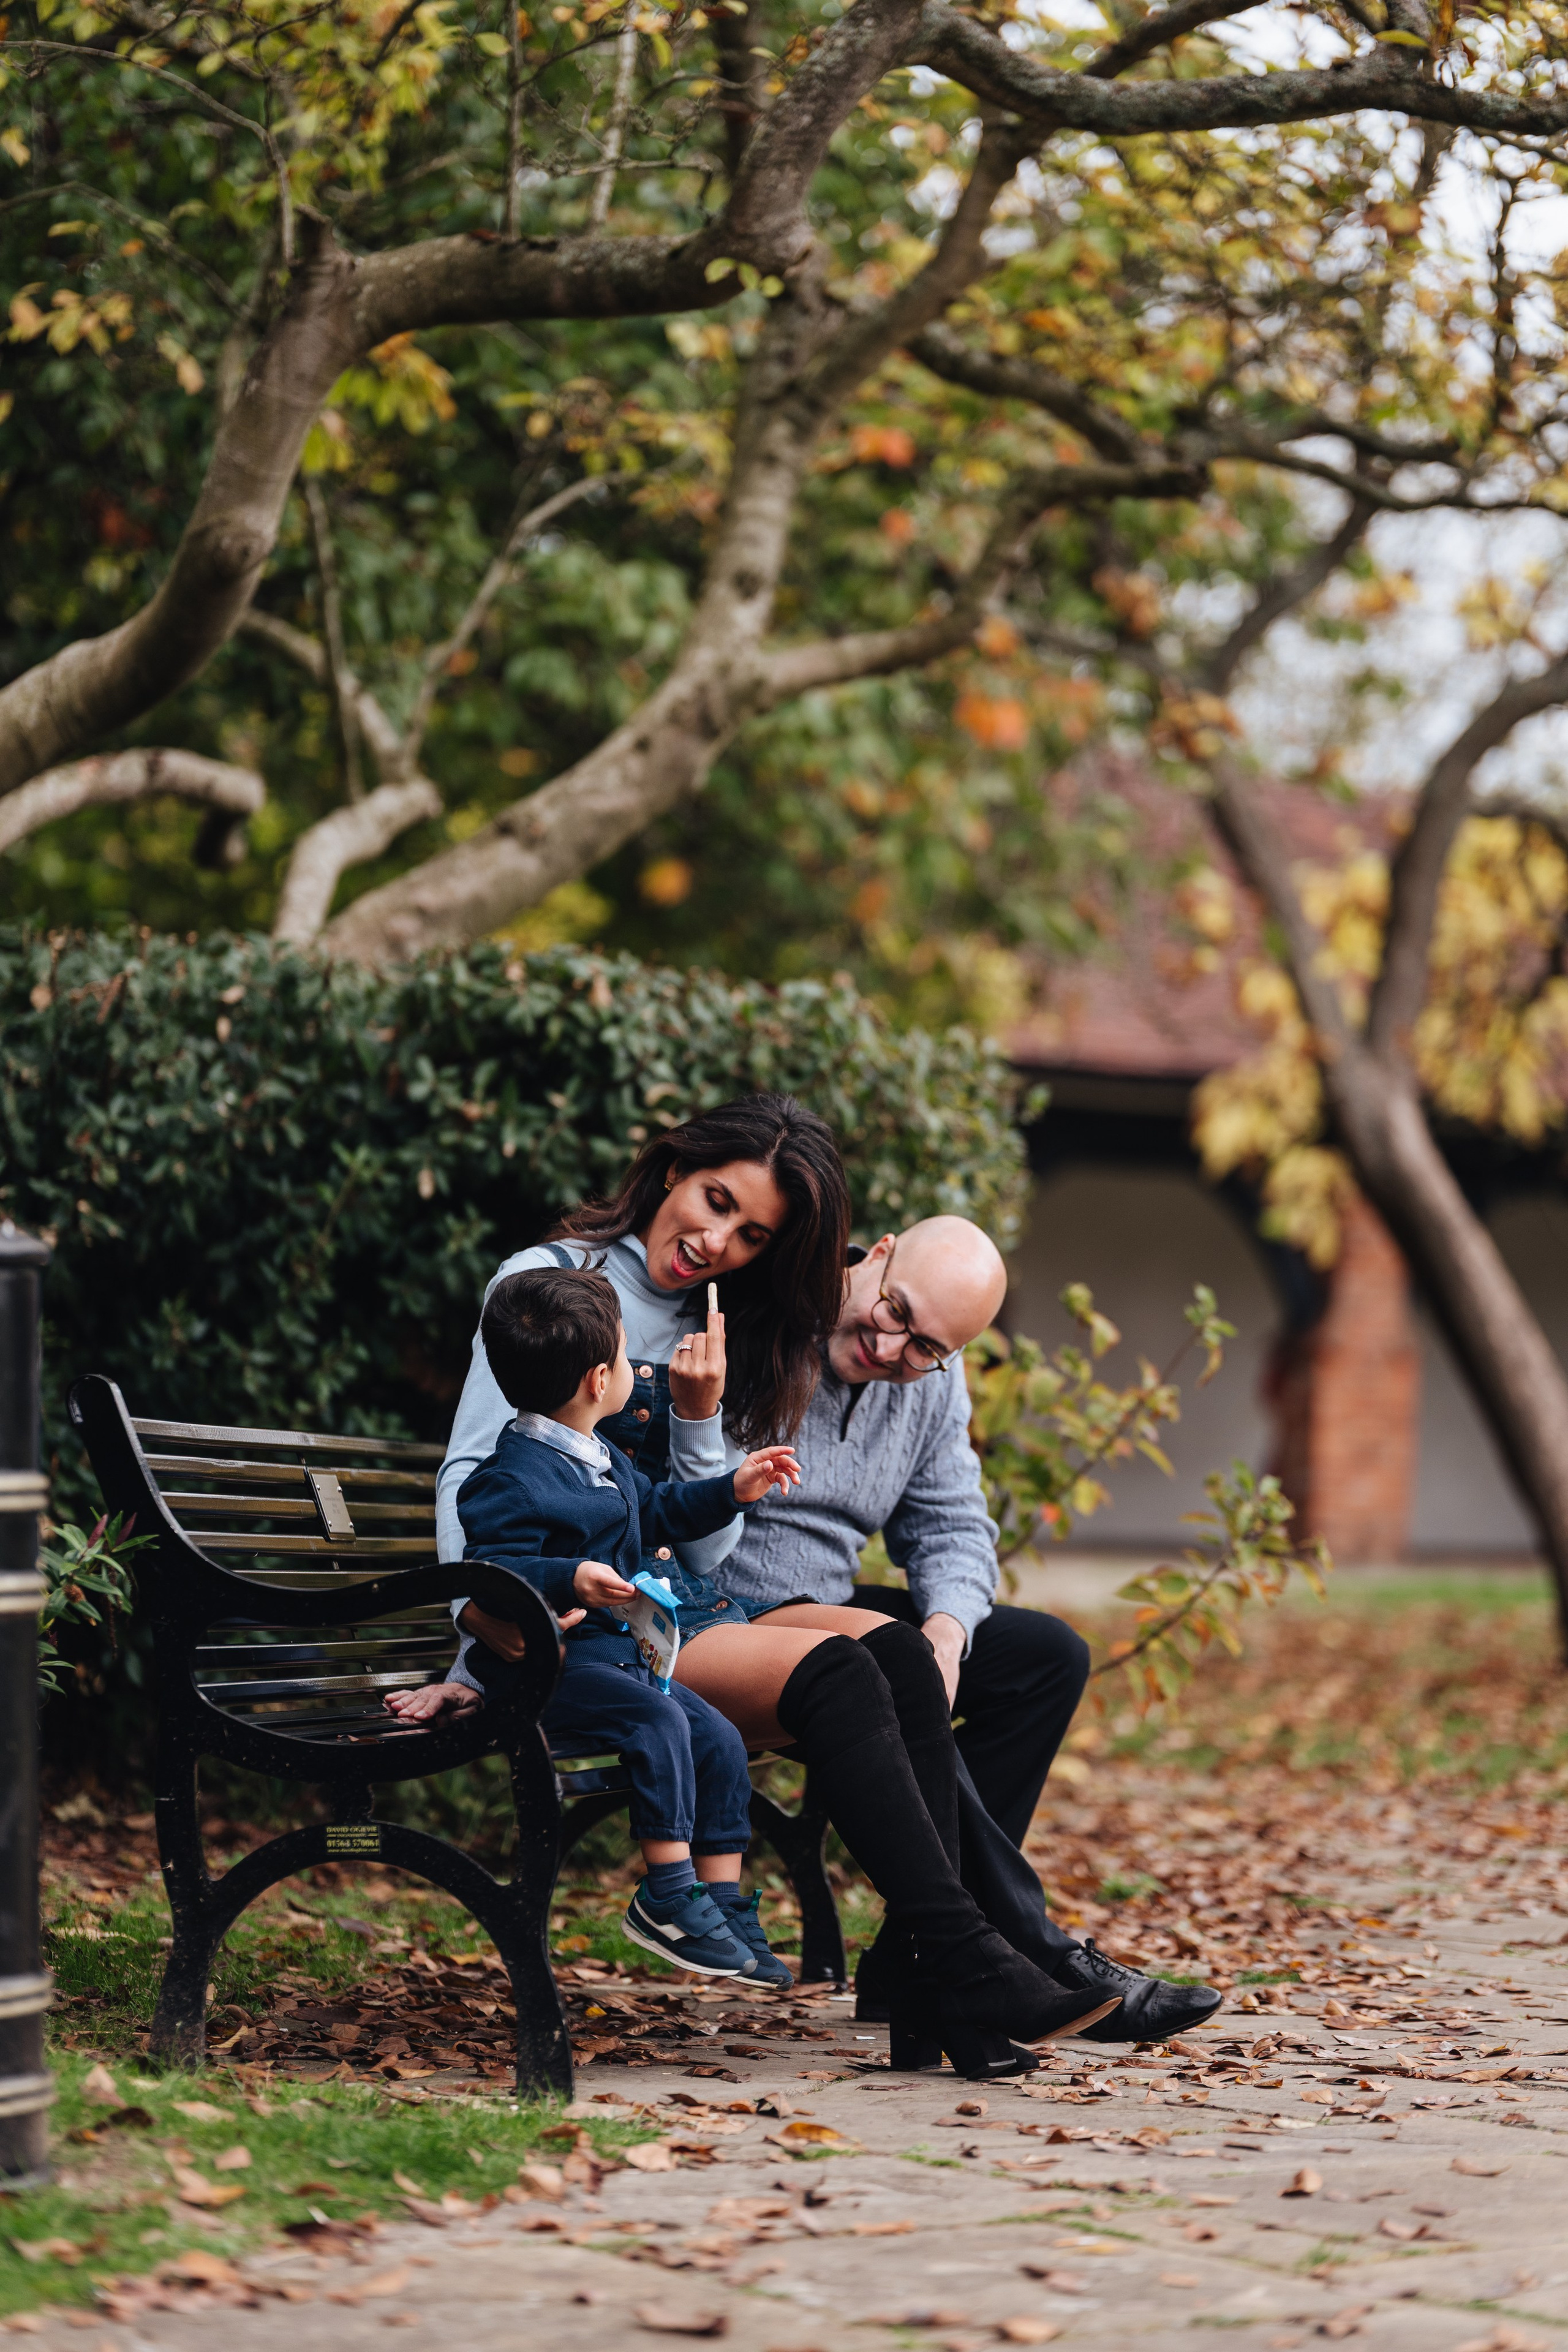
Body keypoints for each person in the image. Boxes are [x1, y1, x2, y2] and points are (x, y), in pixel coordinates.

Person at [717, 1214, 1224, 2045]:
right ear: (875, 1257)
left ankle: (909, 1956)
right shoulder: (762, 1319)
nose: (894, 1351)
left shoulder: (930, 1384)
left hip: (827, 1606)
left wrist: (948, 1634)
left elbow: (954, 1527)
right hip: (731, 1613)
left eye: (926, 1348)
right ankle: (1030, 1949)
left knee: (1044, 1657)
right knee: (890, 1662)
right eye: (894, 1314)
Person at [394, 1262, 804, 1984]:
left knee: (716, 1735)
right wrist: (568, 1578)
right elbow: (493, 1568)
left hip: (607, 1659)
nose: (631, 1371)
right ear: (597, 1381)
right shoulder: (508, 1477)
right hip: (543, 1665)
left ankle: (721, 1900)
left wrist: (731, 1491)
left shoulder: (602, 1455)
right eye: (623, 1356)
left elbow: (662, 1513)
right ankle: (667, 1896)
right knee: (660, 1725)